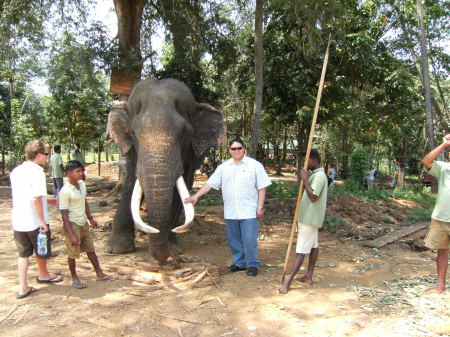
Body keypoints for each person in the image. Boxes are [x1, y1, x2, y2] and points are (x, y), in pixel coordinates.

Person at [185, 138, 272, 277]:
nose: (236, 151)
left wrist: (260, 207)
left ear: (244, 149)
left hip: (249, 211)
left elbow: (262, 188)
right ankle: (239, 263)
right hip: (231, 211)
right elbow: (210, 184)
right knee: (234, 240)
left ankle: (252, 265)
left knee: (249, 240)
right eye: (233, 149)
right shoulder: (223, 167)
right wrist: (196, 196)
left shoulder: (255, 165)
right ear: (229, 150)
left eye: (239, 148)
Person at [10, 140, 64, 299]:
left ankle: (23, 287)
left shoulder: (17, 171)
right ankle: (43, 274)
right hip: (34, 220)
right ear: (39, 155)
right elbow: (35, 199)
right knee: (41, 247)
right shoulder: (37, 172)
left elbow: (24, 194)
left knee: (23, 254)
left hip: (19, 220)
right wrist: (42, 221)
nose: (47, 157)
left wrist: (47, 200)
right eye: (46, 154)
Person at [58, 160, 117, 288]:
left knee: (91, 250)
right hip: (73, 225)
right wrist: (71, 235)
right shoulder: (65, 191)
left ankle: (99, 274)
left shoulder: (81, 185)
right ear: (69, 173)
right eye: (78, 171)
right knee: (72, 253)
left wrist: (91, 219)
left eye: (82, 170)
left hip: (83, 223)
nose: (81, 173)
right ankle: (74, 278)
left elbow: (84, 202)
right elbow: (64, 215)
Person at [279, 149, 328, 294]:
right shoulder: (317, 174)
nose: (305, 164)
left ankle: (288, 281)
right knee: (313, 246)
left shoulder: (319, 176)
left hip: (309, 219)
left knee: (301, 250)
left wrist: (305, 179)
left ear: (313, 160)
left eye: (306, 161)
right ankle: (308, 275)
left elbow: (314, 196)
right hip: (311, 217)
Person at [421, 134, 450, 294]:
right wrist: (443, 145)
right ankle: (440, 286)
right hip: (440, 218)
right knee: (442, 251)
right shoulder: (443, 168)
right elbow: (426, 161)